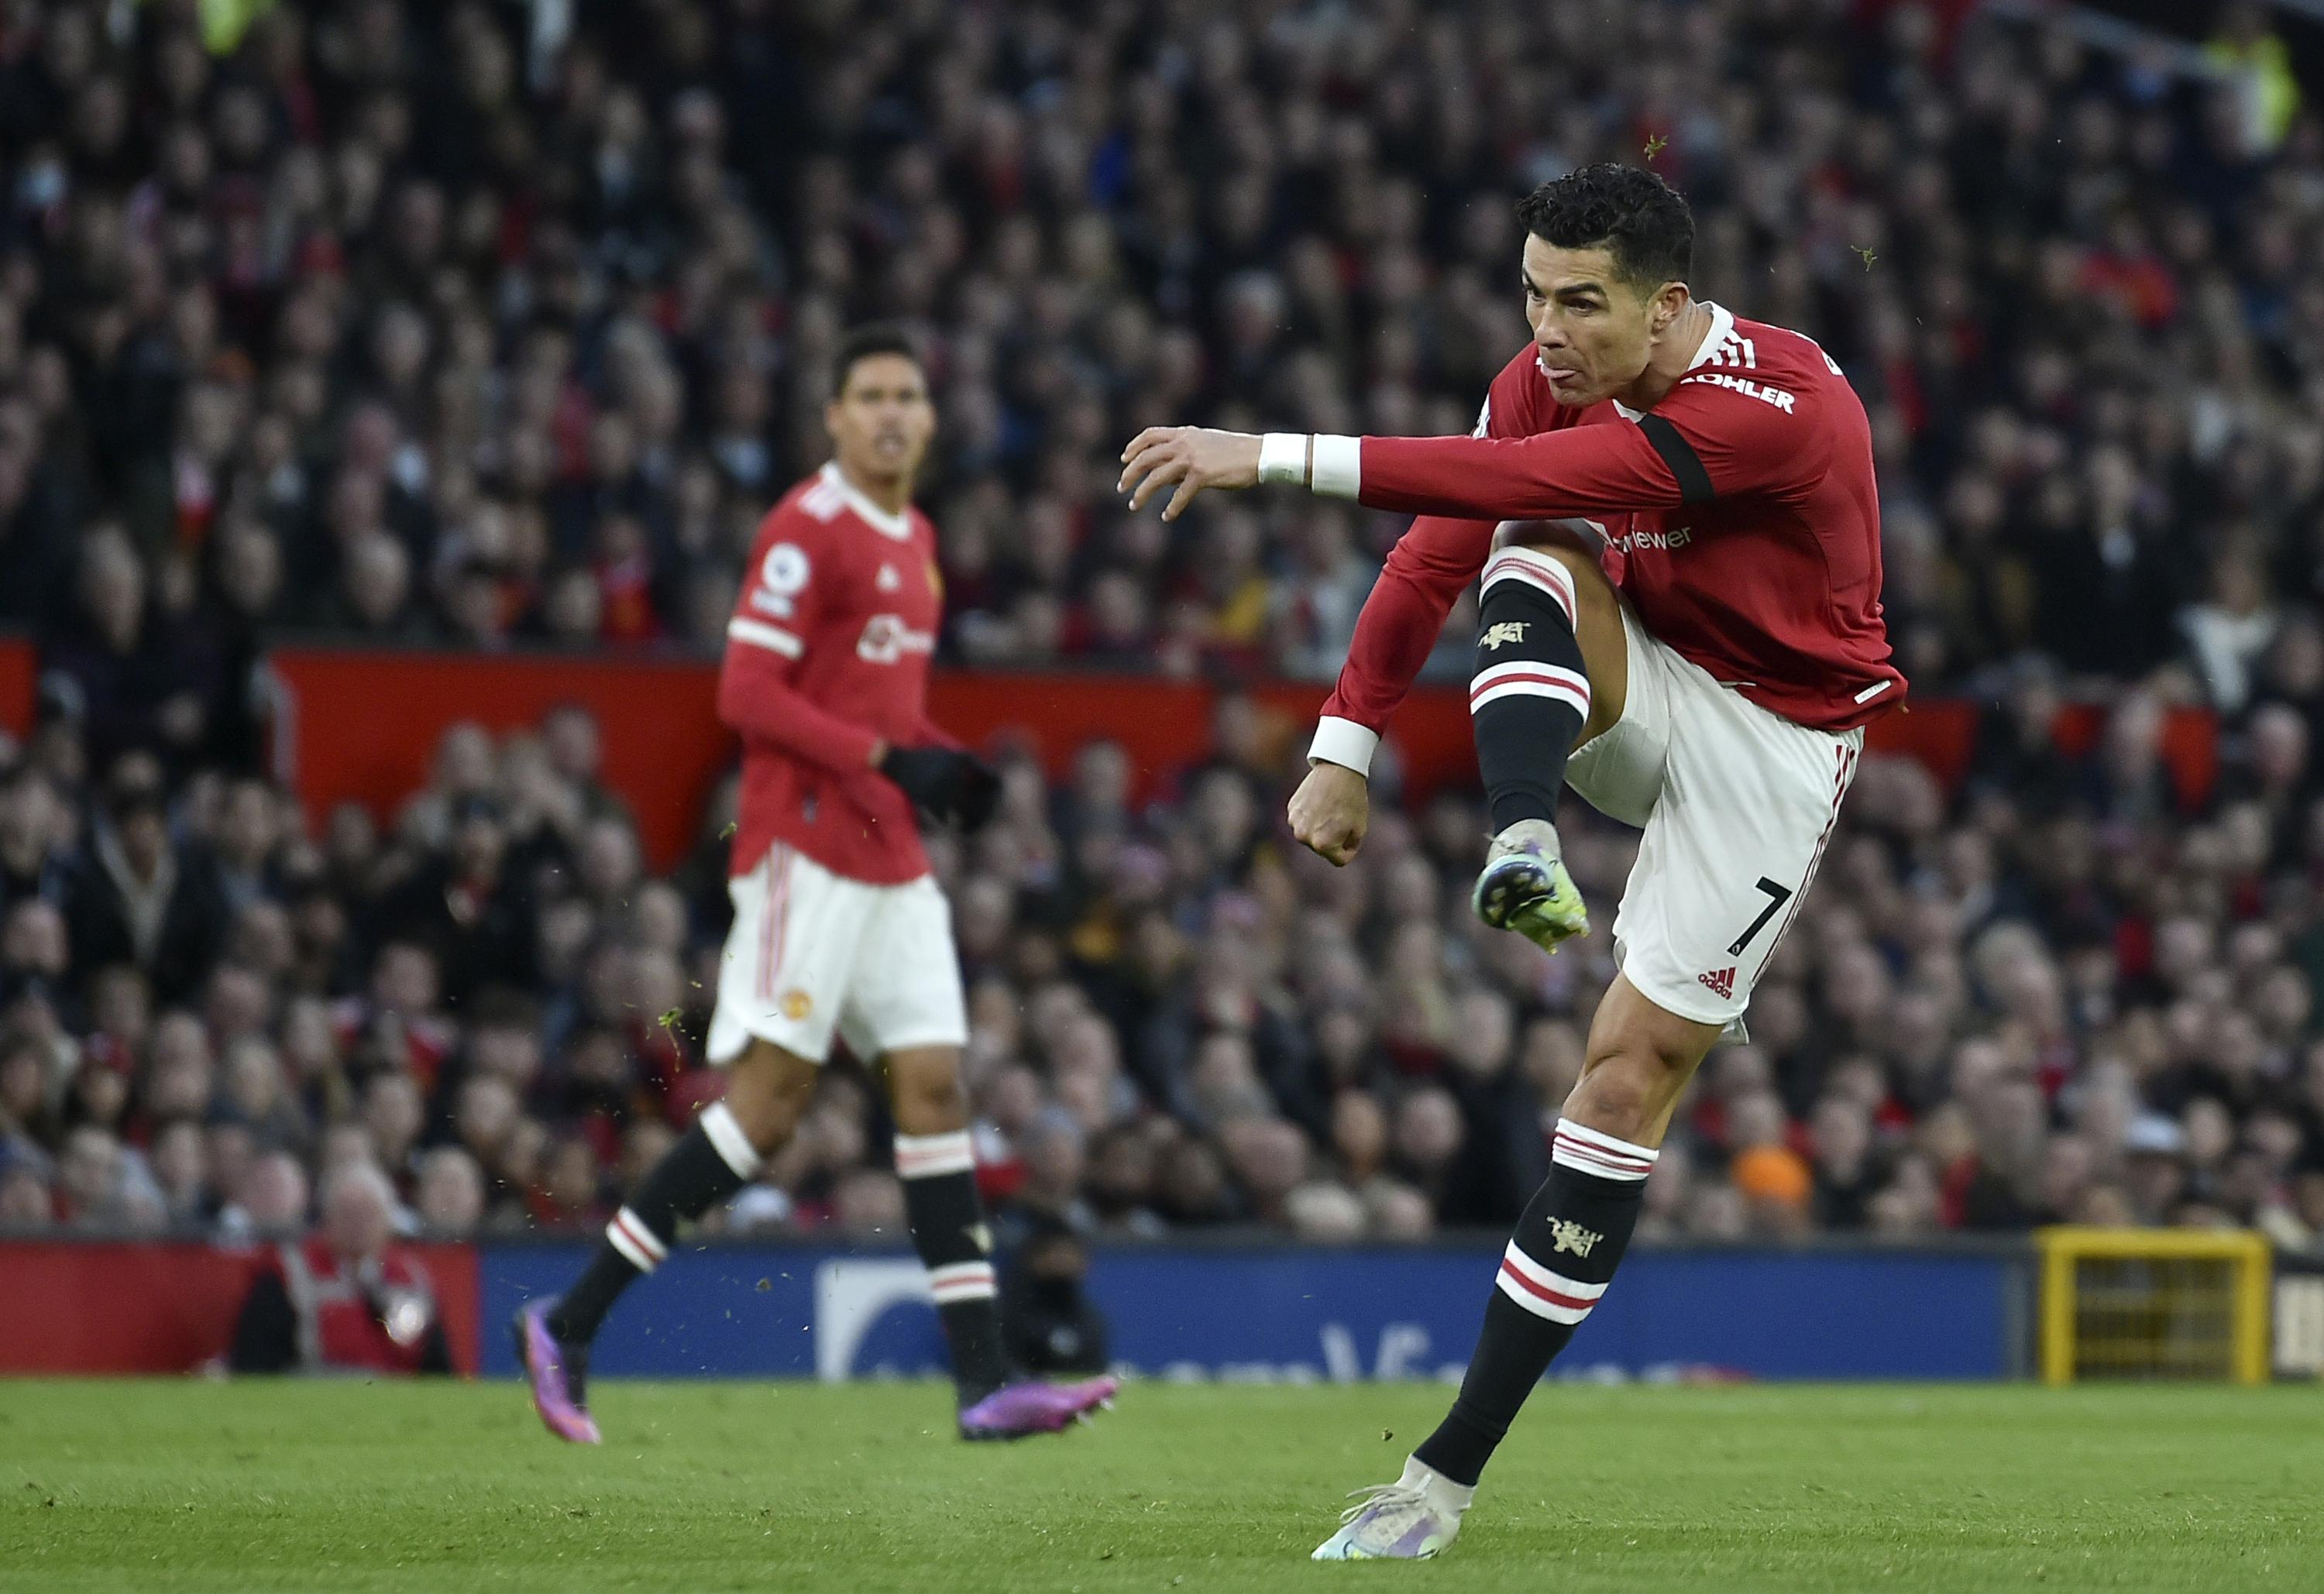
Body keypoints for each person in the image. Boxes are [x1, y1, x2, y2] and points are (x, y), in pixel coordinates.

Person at [1117, 164, 1899, 1559]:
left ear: (1667, 309)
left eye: (1580, 302)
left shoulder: (1780, 410)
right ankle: (1523, 837)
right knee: (1524, 560)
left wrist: (1268, 452)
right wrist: (1344, 742)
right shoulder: (1544, 375)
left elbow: (1520, 472)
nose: (1546, 328)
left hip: (1779, 744)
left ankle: (1441, 1479)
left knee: (1625, 1075)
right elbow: (1443, 541)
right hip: (1645, 680)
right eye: (1532, 291)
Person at [514, 327, 1117, 1444]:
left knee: (934, 1087)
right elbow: (746, 691)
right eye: (871, 396)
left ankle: (984, 1380)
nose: (892, 414)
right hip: (804, 849)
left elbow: (880, 712)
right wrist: (897, 759)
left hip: (893, 854)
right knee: (773, 1109)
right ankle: (573, 1316)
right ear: (833, 416)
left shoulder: (918, 538)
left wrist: (946, 764)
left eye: (908, 397)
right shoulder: (808, 526)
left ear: (930, 421)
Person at [227, 1162, 452, 1376]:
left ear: (387, 1220)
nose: (359, 1224)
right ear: (327, 1217)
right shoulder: (287, 1274)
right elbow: (256, 1362)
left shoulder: (411, 1277)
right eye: (348, 1213)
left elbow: (437, 1369)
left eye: (369, 1213)